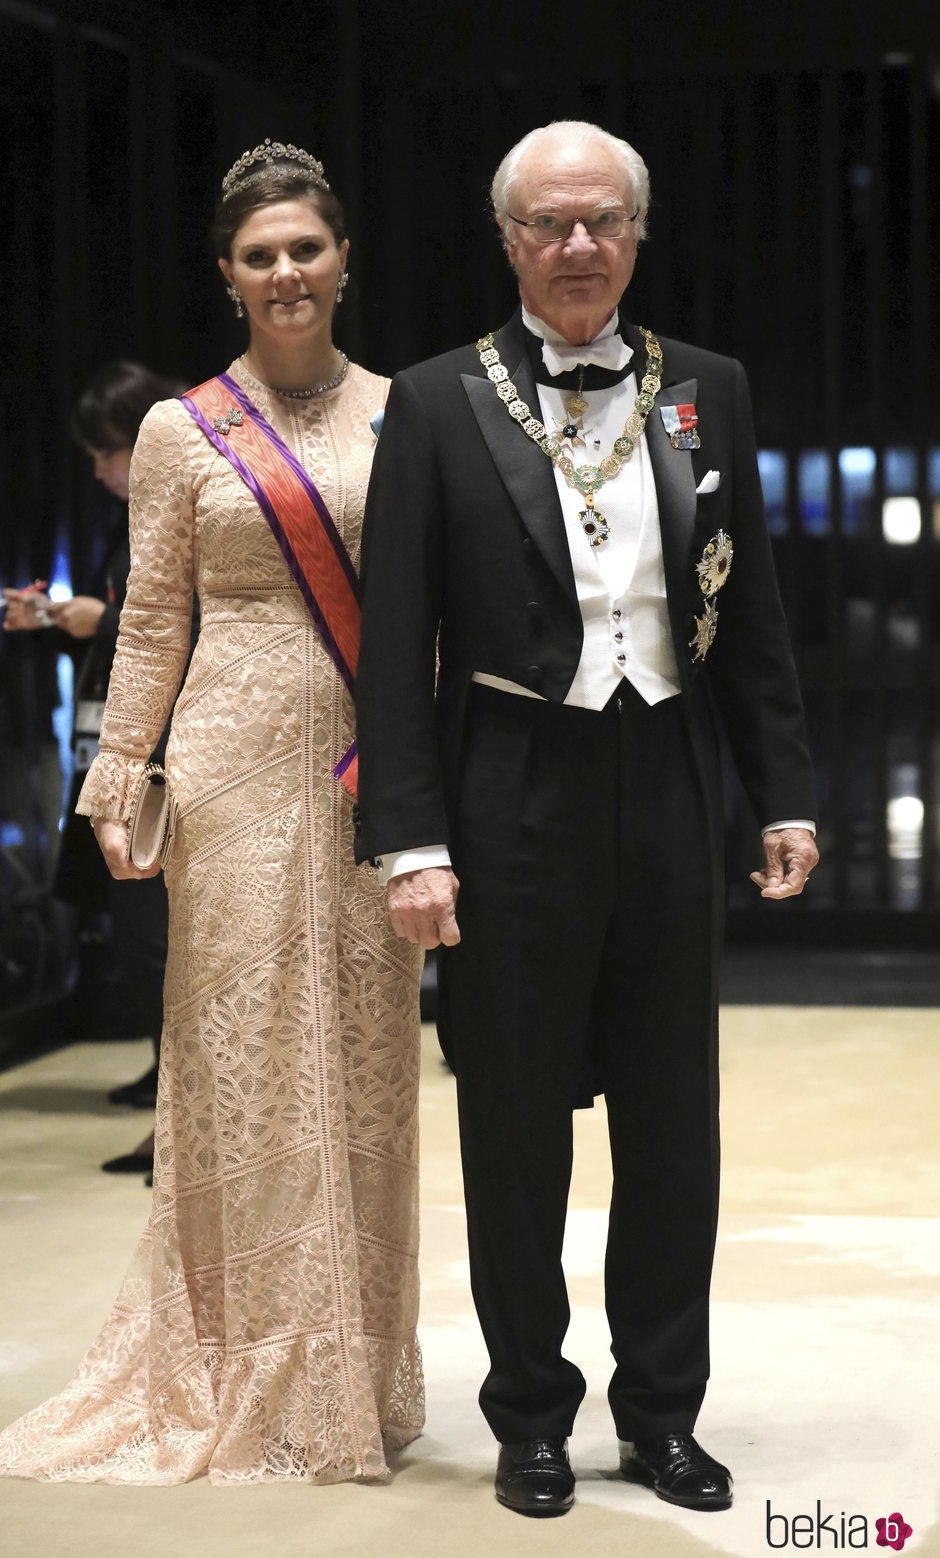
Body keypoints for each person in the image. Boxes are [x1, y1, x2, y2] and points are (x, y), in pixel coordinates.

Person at [355, 120, 819, 1517]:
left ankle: (662, 1413)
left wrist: (781, 786)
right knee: (515, 1128)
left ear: (637, 234)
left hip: (671, 780)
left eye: (603, 222)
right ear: (508, 241)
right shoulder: (435, 401)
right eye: (549, 224)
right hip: (510, 785)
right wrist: (413, 842)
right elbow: (395, 647)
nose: (577, 247)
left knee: (678, 1125)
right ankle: (530, 1418)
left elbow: (755, 612)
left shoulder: (711, 390)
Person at [0, 140, 423, 1485]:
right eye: (260, 254)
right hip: (226, 772)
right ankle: (243, 1367)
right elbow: (156, 613)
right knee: (244, 1070)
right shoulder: (182, 429)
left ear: (346, 261)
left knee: (367, 1076)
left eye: (307, 248)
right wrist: (118, 779)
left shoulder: (409, 413)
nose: (286, 271)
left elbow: (421, 620)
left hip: (359, 773)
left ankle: (356, 1376)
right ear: (229, 278)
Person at [2, 363, 186, 1172]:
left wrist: (100, 619)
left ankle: (184, 1130)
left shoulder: (187, 508)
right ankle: (176, 1115)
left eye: (109, 450)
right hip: (120, 756)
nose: (102, 470)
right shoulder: (127, 523)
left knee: (163, 945)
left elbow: (193, 625)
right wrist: (58, 620)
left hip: (177, 760)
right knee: (145, 943)